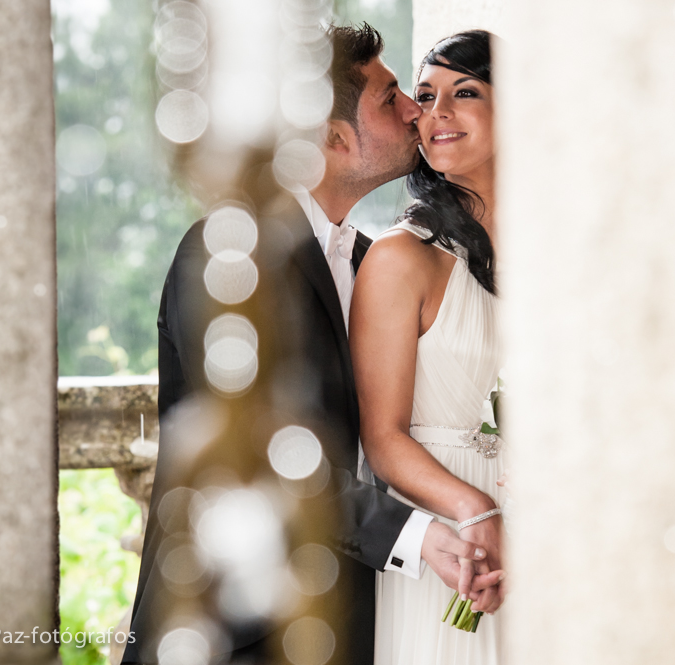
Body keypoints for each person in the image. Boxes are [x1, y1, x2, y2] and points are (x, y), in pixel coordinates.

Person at [121, 24, 503, 665]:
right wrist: (419, 534)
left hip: (347, 619)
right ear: (331, 136)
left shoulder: (363, 255)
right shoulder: (231, 263)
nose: (416, 110)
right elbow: (264, 455)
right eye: (393, 99)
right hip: (240, 627)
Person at [350, 30, 505, 665]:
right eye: (423, 95)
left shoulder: (569, 255)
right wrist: (475, 510)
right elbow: (381, 438)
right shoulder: (401, 258)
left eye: (463, 92)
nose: (434, 114)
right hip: (451, 539)